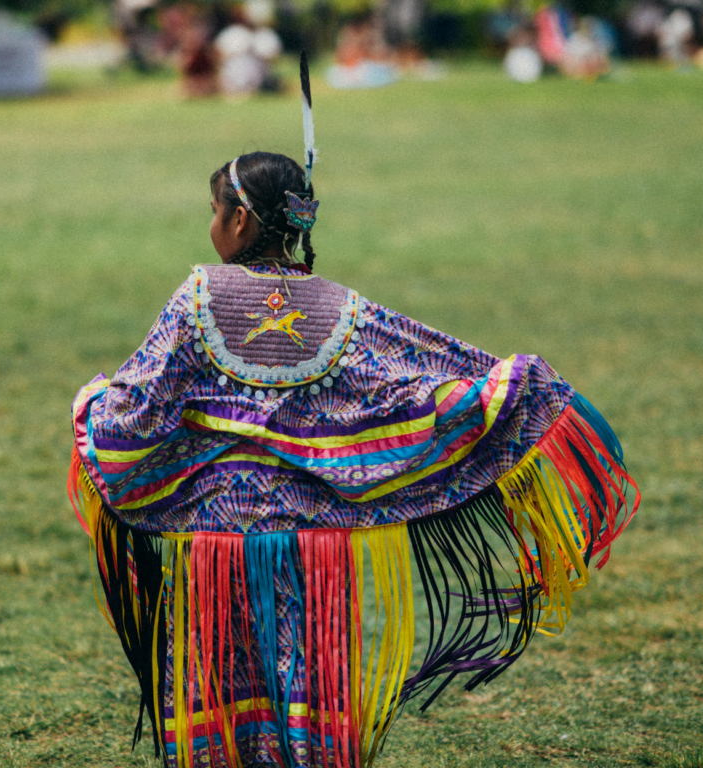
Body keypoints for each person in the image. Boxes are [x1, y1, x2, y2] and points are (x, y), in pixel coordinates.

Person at [69, 61, 639, 768]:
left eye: (216, 210)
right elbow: (428, 367)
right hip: (312, 546)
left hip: (214, 547)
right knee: (298, 671)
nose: (212, 223)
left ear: (240, 220)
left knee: (215, 680)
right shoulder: (342, 309)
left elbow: (138, 417)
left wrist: (92, 406)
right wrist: (518, 389)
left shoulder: (196, 300)